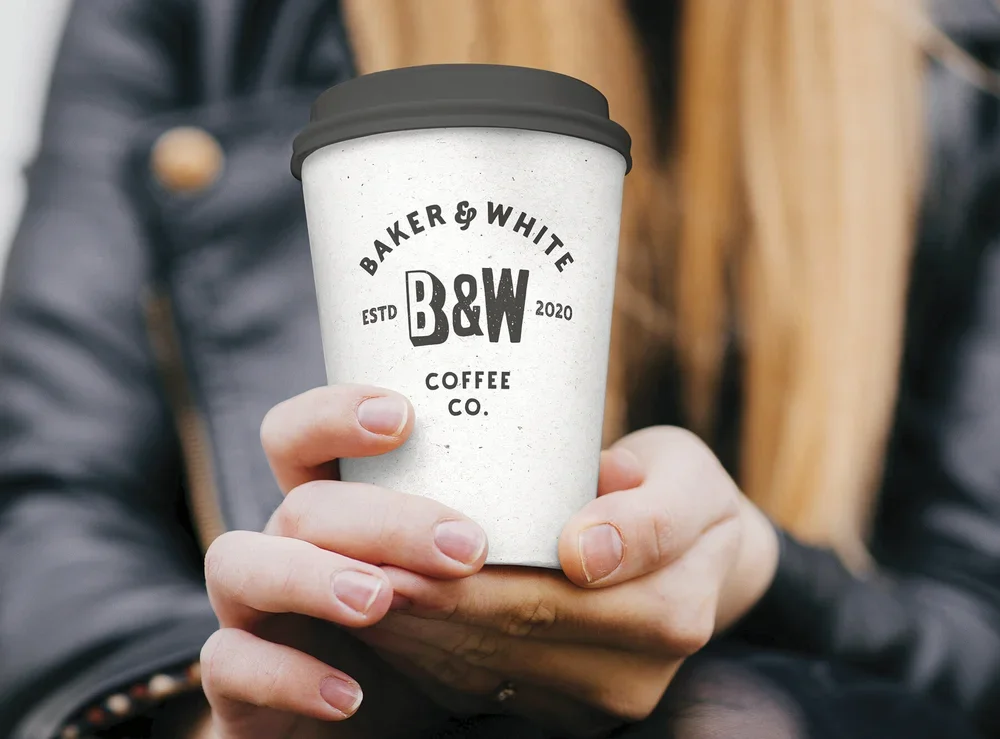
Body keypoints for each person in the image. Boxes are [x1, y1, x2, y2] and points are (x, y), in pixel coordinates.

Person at [1, 0, 999, 737]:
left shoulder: (960, 61)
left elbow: (976, 624)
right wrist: (222, 713)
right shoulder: (202, 14)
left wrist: (757, 575)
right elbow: (44, 515)